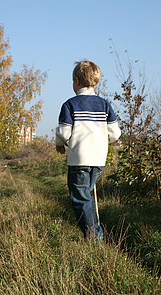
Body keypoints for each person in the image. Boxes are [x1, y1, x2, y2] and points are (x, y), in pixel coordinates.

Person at [56, 60, 121, 240]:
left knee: (80, 199)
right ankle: (95, 233)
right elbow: (115, 133)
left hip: (79, 160)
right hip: (98, 160)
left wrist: (59, 142)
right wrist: (100, 139)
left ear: (76, 81)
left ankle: (94, 236)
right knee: (88, 195)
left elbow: (63, 132)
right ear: (96, 82)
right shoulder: (105, 105)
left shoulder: (70, 105)